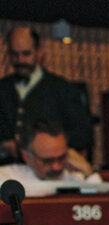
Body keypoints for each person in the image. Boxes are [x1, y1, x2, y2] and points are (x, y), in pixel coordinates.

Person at [0, 27, 93, 163]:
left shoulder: (63, 89)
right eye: (15, 54)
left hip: (49, 173)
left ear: (39, 52)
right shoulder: (2, 88)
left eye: (26, 54)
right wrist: (3, 147)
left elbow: (83, 136)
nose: (20, 60)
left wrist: (46, 145)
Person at [0, 118, 101, 197]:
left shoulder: (74, 176)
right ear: (26, 156)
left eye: (62, 158)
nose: (56, 167)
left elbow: (101, 207)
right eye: (48, 161)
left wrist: (88, 172)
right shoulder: (5, 178)